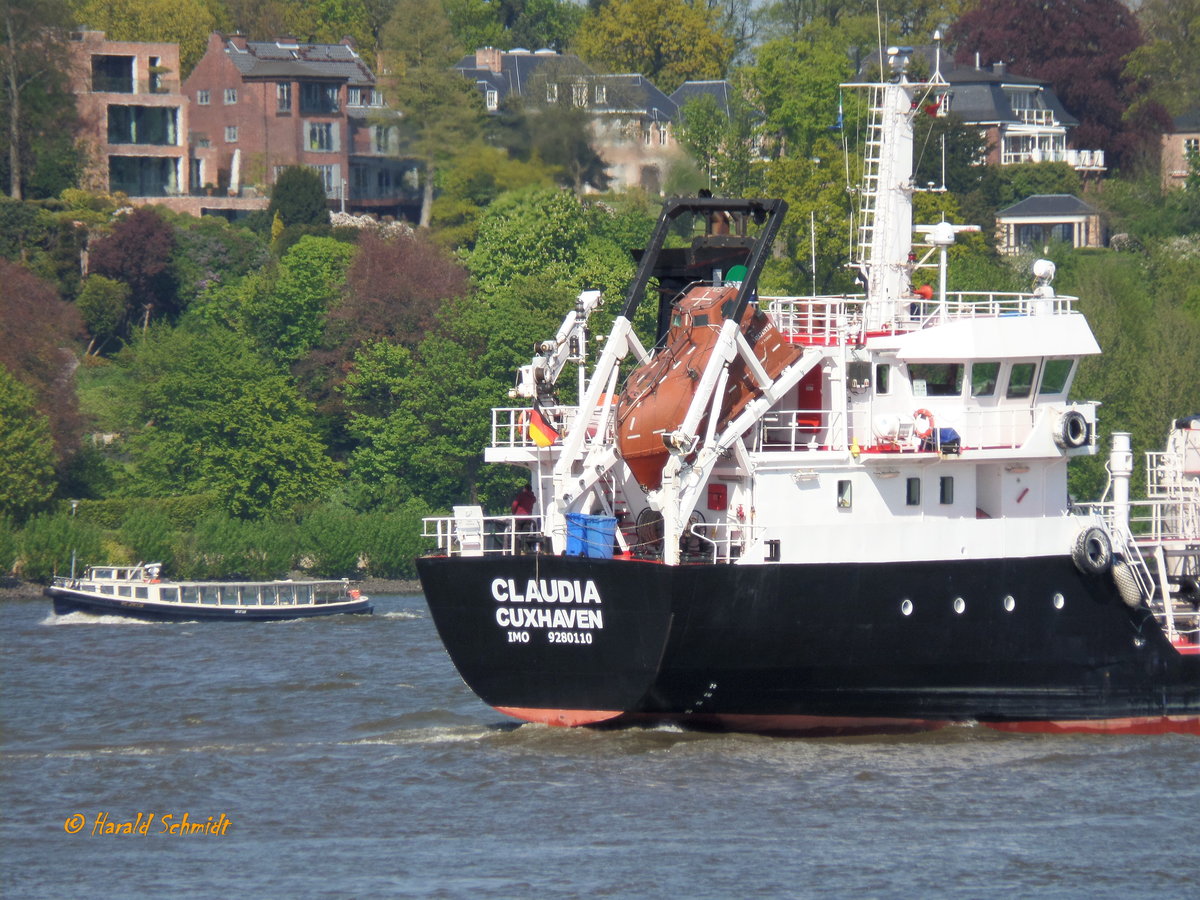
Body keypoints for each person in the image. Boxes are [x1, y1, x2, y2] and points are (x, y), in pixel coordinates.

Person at [511, 483, 537, 551]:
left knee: (516, 534)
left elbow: (514, 504)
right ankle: (524, 549)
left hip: (519, 517)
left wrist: (514, 513)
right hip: (528, 519)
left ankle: (516, 550)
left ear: (525, 489)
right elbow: (534, 500)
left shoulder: (521, 495)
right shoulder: (532, 497)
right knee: (525, 535)